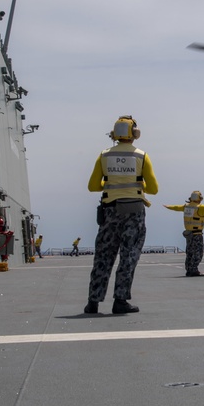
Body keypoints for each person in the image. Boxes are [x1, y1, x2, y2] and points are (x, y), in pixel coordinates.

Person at [84, 115, 158, 315]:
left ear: (115, 134)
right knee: (128, 256)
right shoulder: (141, 156)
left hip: (110, 211)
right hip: (133, 212)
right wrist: (137, 183)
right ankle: (120, 301)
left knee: (103, 256)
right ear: (135, 134)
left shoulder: (104, 155)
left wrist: (111, 184)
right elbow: (153, 189)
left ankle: (93, 302)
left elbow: (92, 186)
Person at [164, 191, 204, 277]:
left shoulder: (185, 207)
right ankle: (194, 270)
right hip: (197, 235)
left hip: (188, 235)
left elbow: (176, 207)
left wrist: (168, 207)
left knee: (190, 253)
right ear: (199, 198)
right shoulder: (200, 208)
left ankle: (189, 270)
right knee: (198, 253)